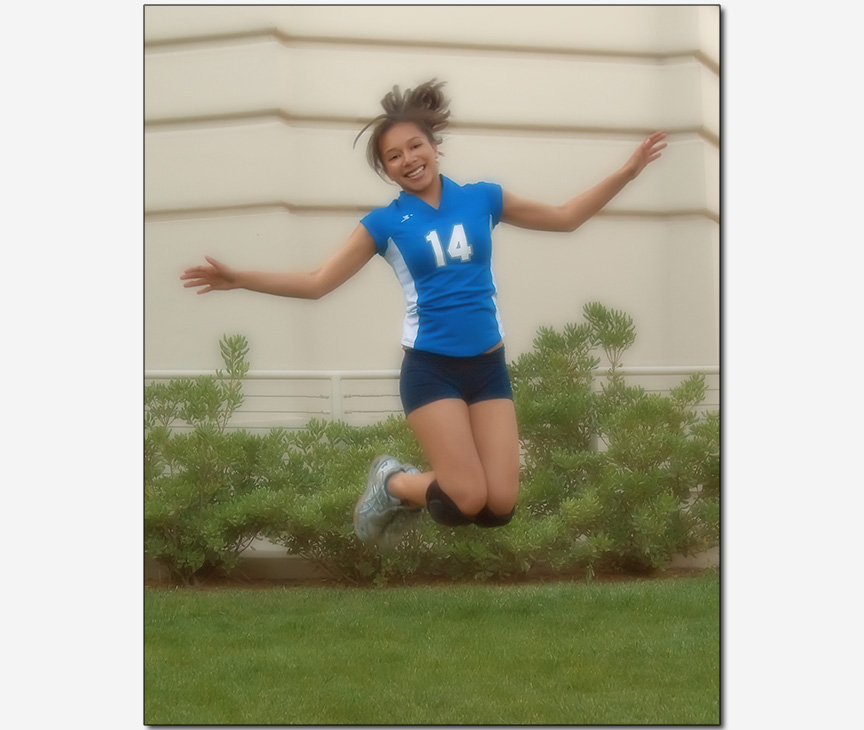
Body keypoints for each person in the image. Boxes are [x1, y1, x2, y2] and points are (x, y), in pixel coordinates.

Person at [180, 80, 666, 548]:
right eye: (394, 156)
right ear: (387, 170)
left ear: (434, 146)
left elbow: (566, 217)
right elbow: (317, 282)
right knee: (465, 496)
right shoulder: (385, 224)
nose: (408, 160)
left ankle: (402, 487)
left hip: (488, 367)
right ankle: (392, 483)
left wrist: (628, 171)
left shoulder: (483, 198)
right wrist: (240, 277)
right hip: (432, 371)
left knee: (498, 507)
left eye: (415, 147)